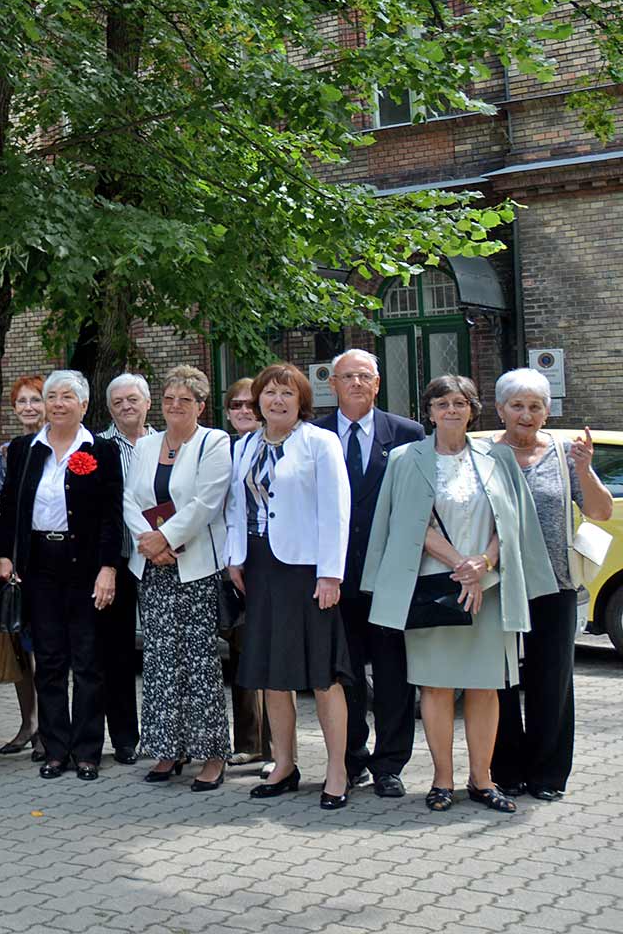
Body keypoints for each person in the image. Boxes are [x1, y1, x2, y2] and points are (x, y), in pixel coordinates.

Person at [361, 375, 554, 814]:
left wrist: (481, 565)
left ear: (473, 410)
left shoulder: (498, 456)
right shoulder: (405, 459)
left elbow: (514, 523)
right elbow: (404, 523)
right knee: (437, 686)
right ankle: (442, 780)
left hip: (490, 588)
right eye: (443, 403)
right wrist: (459, 566)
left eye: (461, 403)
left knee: (486, 687)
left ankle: (483, 780)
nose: (452, 410)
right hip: (432, 589)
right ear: (428, 411)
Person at [224, 363, 354, 809]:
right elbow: (235, 509)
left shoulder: (320, 442)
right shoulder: (244, 446)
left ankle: (337, 770)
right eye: (269, 393)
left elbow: (337, 511)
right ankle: (284, 764)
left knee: (322, 674)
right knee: (272, 675)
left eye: (287, 394)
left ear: (301, 402)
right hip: (260, 569)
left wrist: (330, 574)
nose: (276, 401)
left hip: (306, 570)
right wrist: (235, 559)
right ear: (257, 399)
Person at [0, 370, 124, 781]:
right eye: (52, 397)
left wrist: (108, 568)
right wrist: (3, 557)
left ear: (84, 405)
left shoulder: (101, 451)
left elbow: (111, 515)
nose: (58, 403)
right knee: (48, 660)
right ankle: (55, 748)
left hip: (84, 565)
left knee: (87, 661)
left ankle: (87, 750)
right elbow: (12, 505)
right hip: (40, 565)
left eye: (68, 396)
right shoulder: (23, 450)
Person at [490, 369, 611, 801]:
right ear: (501, 409)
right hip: (497, 586)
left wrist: (586, 468)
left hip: (555, 586)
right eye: (517, 405)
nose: (526, 414)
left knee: (552, 680)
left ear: (546, 412)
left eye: (535, 406)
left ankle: (547, 776)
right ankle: (504, 771)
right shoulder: (484, 454)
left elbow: (599, 512)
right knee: (498, 681)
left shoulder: (562, 455)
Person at [310, 348, 425, 799]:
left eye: (364, 376)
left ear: (377, 384)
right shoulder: (314, 435)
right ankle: (351, 758)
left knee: (395, 673)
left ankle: (390, 764)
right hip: (334, 577)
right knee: (346, 672)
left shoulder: (407, 434)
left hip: (390, 575)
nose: (356, 383)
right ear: (332, 384)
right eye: (347, 376)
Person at [121, 366, 233, 792]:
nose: (173, 407)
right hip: (153, 568)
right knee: (160, 661)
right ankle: (169, 748)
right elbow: (130, 498)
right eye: (168, 399)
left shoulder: (213, 442)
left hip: (196, 569)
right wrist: (148, 544)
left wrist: (165, 537)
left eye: (184, 400)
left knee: (200, 662)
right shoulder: (147, 445)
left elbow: (207, 501)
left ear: (200, 406)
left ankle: (212, 754)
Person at [0, 373, 45, 760]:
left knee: (45, 651)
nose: (28, 408)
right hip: (15, 561)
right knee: (21, 647)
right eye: (21, 402)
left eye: (34, 400)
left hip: (50, 560)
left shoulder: (63, 447)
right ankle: (28, 724)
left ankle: (49, 728)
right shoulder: (8, 452)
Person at [97, 373, 155, 765]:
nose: (125, 407)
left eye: (132, 399)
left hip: (165, 557)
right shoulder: (97, 448)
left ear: (147, 402)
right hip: (117, 559)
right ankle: (124, 737)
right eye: (117, 402)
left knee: (164, 649)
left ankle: (164, 733)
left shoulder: (169, 443)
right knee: (115, 652)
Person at [218, 375, 269, 769]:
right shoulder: (223, 449)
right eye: (236, 405)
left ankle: (276, 747)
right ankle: (249, 741)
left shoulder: (273, 446)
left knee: (270, 652)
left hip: (270, 562)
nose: (244, 411)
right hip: (229, 566)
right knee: (241, 654)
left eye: (250, 404)